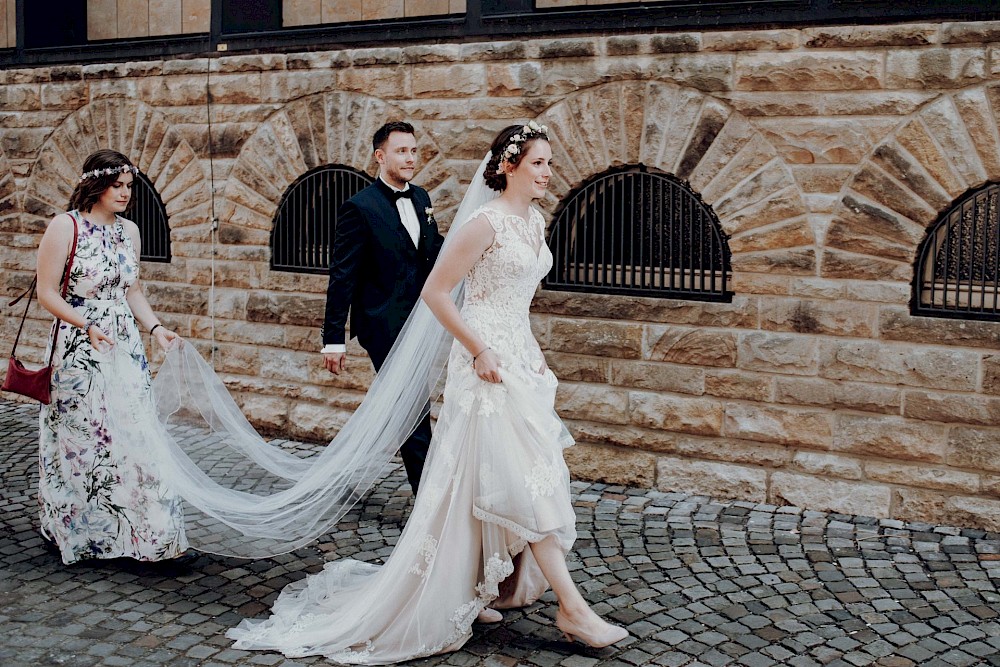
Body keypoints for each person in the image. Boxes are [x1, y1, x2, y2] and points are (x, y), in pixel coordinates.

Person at [226, 122, 629, 662]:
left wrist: (529, 353)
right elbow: (439, 292)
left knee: (480, 478)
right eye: (538, 163)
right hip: (482, 362)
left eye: (549, 163)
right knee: (523, 478)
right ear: (509, 166)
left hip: (520, 360)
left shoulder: (532, 222)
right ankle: (572, 608)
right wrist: (480, 349)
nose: (549, 172)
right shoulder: (482, 223)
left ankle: (486, 584)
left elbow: (515, 301)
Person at [33, 149, 188, 565]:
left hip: (123, 344)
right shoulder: (65, 227)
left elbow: (132, 289)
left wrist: (155, 329)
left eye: (129, 186)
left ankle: (151, 538)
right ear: (95, 185)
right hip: (78, 346)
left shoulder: (130, 232)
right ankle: (82, 532)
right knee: (83, 440)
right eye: (116, 186)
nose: (124, 193)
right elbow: (46, 291)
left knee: (135, 434)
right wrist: (85, 325)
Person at [321, 121, 444, 494]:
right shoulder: (359, 208)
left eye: (413, 150)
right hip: (383, 323)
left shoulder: (422, 198)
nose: (410, 158)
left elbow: (432, 251)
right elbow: (342, 276)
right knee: (412, 408)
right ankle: (428, 497)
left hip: (421, 320)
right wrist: (334, 340)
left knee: (401, 406)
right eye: (401, 151)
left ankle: (344, 470)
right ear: (381, 156)